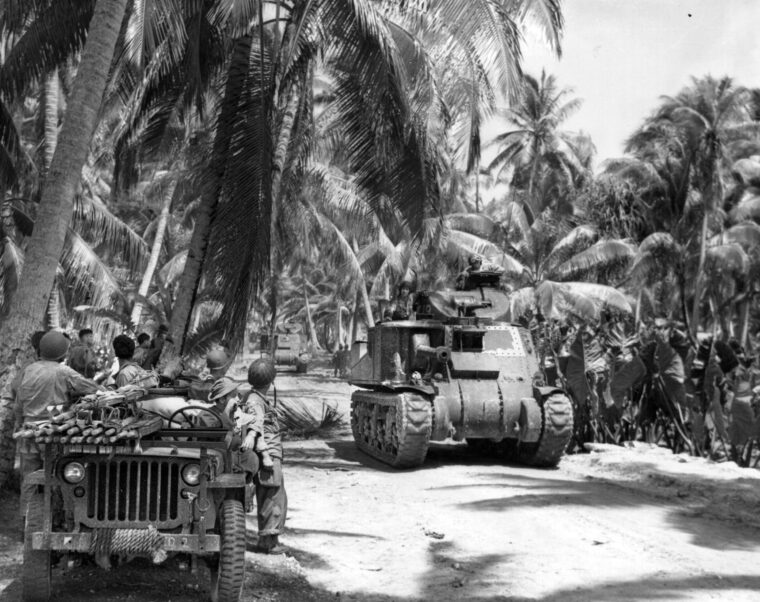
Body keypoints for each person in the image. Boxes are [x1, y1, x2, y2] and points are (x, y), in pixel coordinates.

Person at [9, 331, 102, 523]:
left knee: (29, 479)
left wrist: (19, 424)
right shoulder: (63, 371)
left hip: (28, 432)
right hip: (52, 433)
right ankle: (57, 520)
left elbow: (18, 405)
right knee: (57, 476)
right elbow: (92, 388)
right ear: (63, 353)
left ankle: (27, 523)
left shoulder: (28, 370)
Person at [243, 358, 287, 554]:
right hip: (267, 452)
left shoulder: (256, 398)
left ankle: (271, 538)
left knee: (275, 494)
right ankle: (268, 542)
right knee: (271, 492)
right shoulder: (255, 401)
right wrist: (266, 455)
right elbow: (256, 428)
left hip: (270, 450)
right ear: (271, 381)